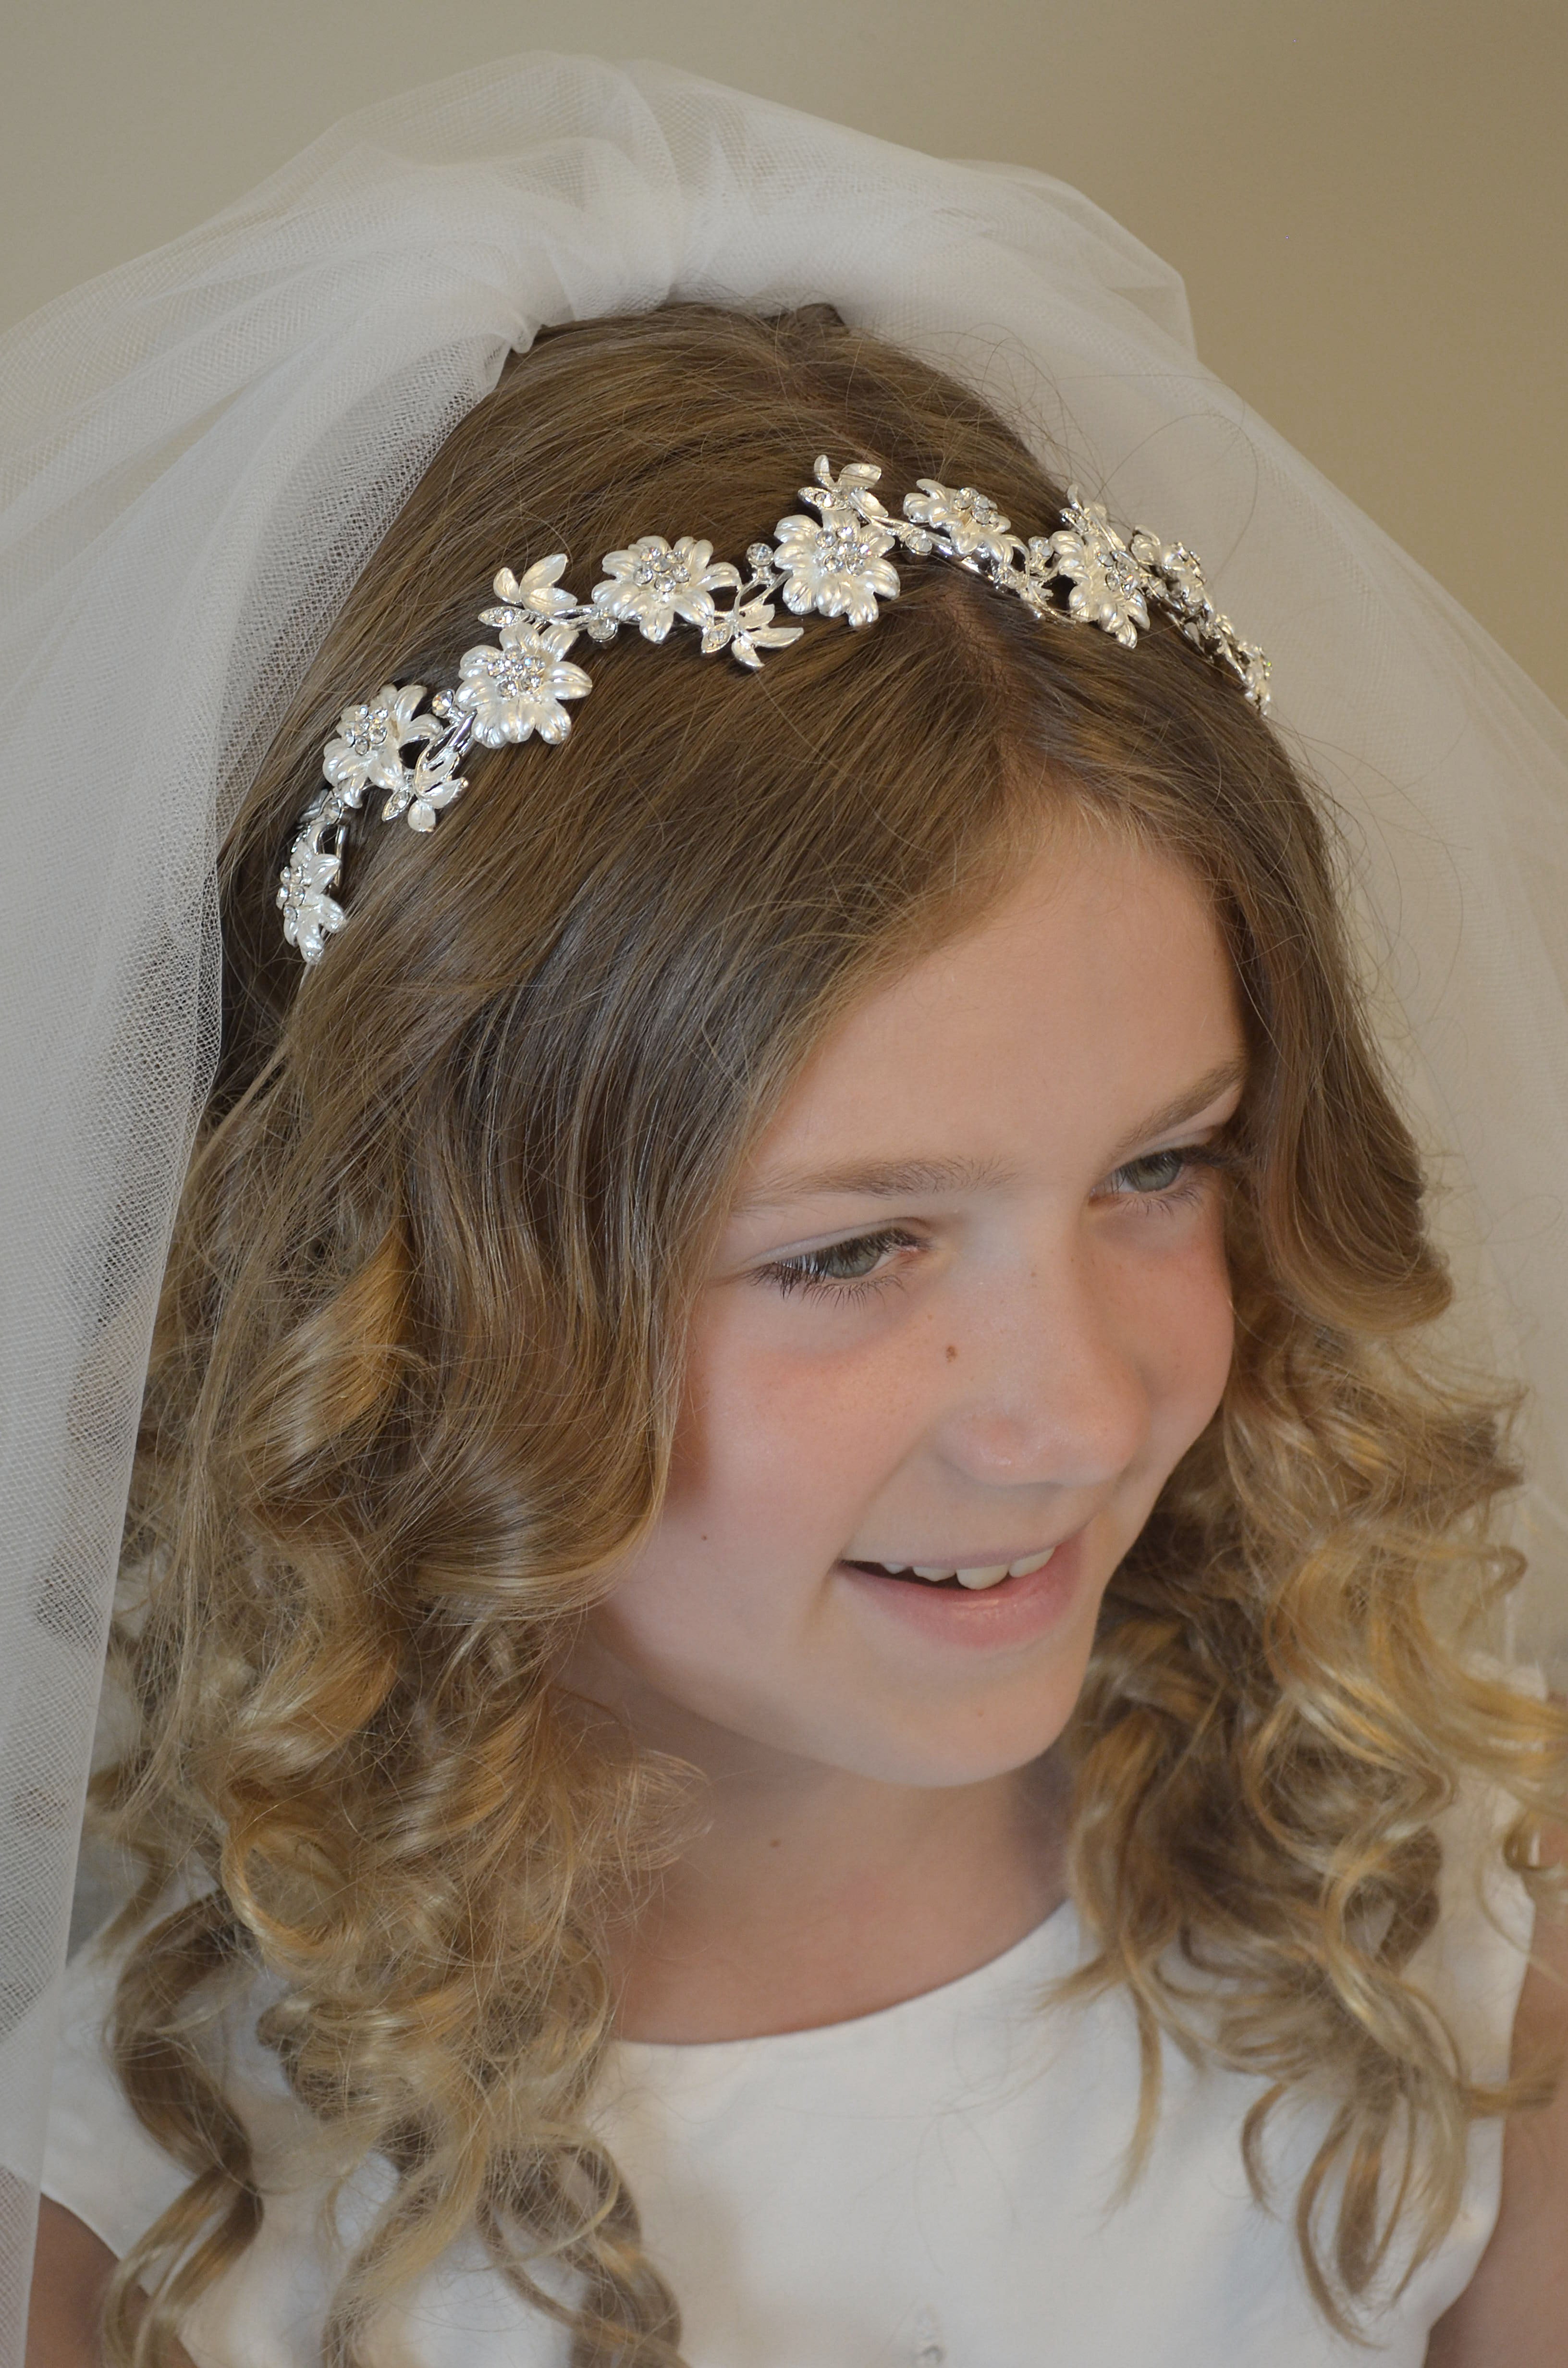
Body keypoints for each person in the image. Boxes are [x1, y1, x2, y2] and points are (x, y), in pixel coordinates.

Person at [8, 57, 1568, 2368]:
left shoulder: (1459, 1958)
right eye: (849, 1248)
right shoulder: (135, 2176)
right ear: (407, 1288)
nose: (1075, 1412)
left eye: (1162, 1164)